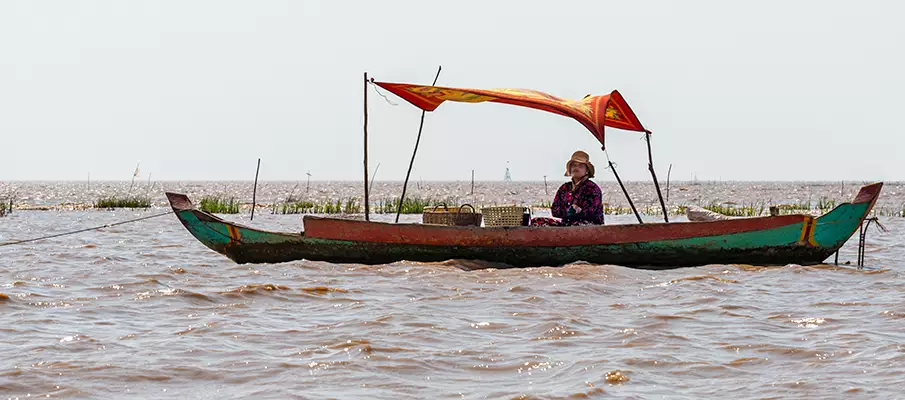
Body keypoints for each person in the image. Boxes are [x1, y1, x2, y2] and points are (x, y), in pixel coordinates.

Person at [531, 150, 605, 226]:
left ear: (586, 171)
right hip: (566, 224)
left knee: (576, 225)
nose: (576, 168)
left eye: (580, 166)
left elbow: (591, 212)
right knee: (536, 221)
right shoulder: (564, 188)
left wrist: (579, 211)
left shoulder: (592, 188)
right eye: (574, 165)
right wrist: (567, 211)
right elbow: (555, 210)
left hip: (589, 226)